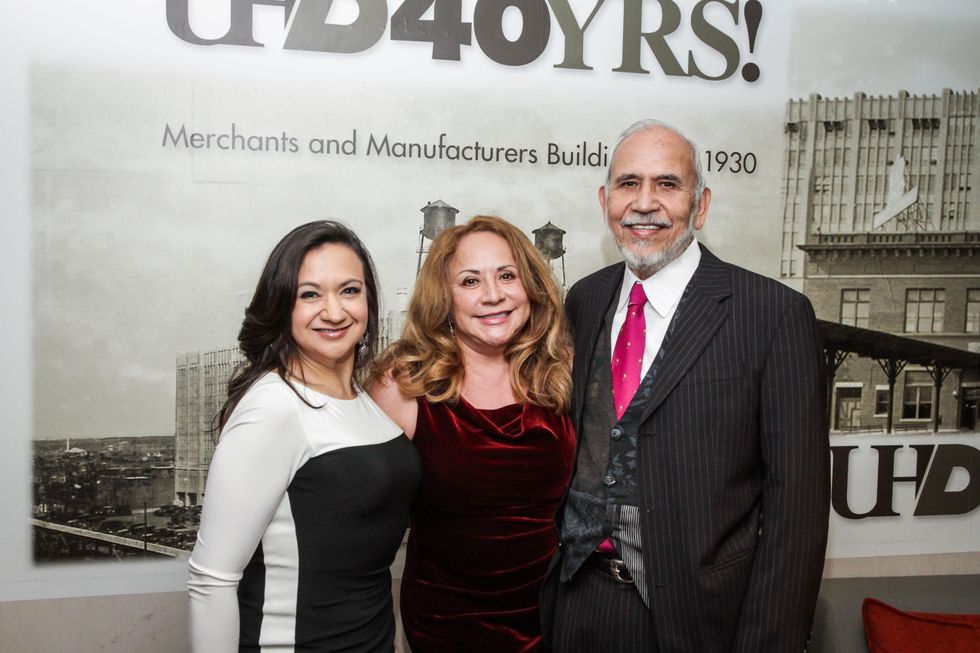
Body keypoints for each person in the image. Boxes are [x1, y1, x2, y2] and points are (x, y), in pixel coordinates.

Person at [541, 120, 830, 652]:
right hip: (578, 601)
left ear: (700, 205)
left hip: (702, 621)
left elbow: (798, 515)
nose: (645, 203)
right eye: (629, 184)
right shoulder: (584, 299)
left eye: (667, 185)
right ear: (606, 200)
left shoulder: (772, 313)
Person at [187, 220, 421, 652]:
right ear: (281, 306)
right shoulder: (273, 407)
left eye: (349, 290)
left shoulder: (365, 398)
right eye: (309, 294)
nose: (334, 312)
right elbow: (211, 580)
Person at [369, 215, 575, 652]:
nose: (493, 295)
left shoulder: (562, 373)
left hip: (554, 617)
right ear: (444, 297)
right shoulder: (403, 385)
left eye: (506, 275)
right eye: (469, 281)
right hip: (446, 623)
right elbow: (359, 518)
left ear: (531, 287)